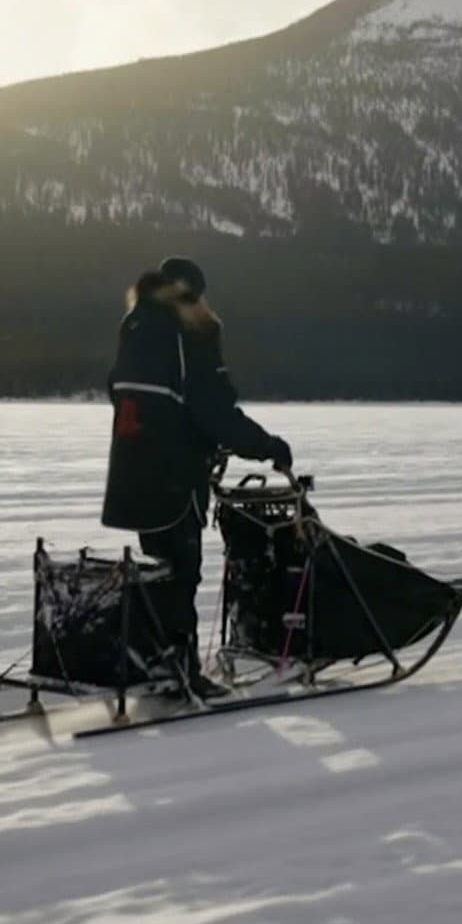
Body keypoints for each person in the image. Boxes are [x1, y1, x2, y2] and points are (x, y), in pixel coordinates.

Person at [100, 255, 291, 686]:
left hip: (131, 472)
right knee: (181, 570)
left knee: (156, 567)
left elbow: (118, 388)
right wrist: (268, 447)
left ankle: (149, 658)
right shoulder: (190, 331)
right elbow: (214, 409)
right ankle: (178, 670)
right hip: (175, 477)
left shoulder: (136, 325)